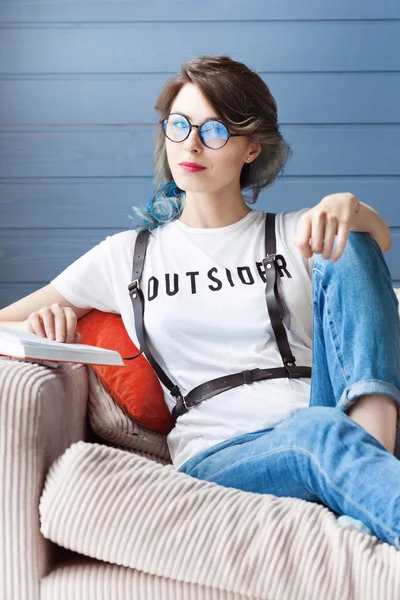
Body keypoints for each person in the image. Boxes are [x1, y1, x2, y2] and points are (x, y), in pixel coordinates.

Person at [1, 55, 399, 549]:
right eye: (179, 125)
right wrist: (44, 320)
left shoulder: (292, 232)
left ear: (252, 147)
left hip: (322, 417)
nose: (191, 142)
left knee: (350, 237)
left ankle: (371, 458)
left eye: (214, 130)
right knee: (318, 434)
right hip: (222, 454)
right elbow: (5, 323)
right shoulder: (127, 256)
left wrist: (350, 206)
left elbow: (376, 242)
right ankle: (369, 481)